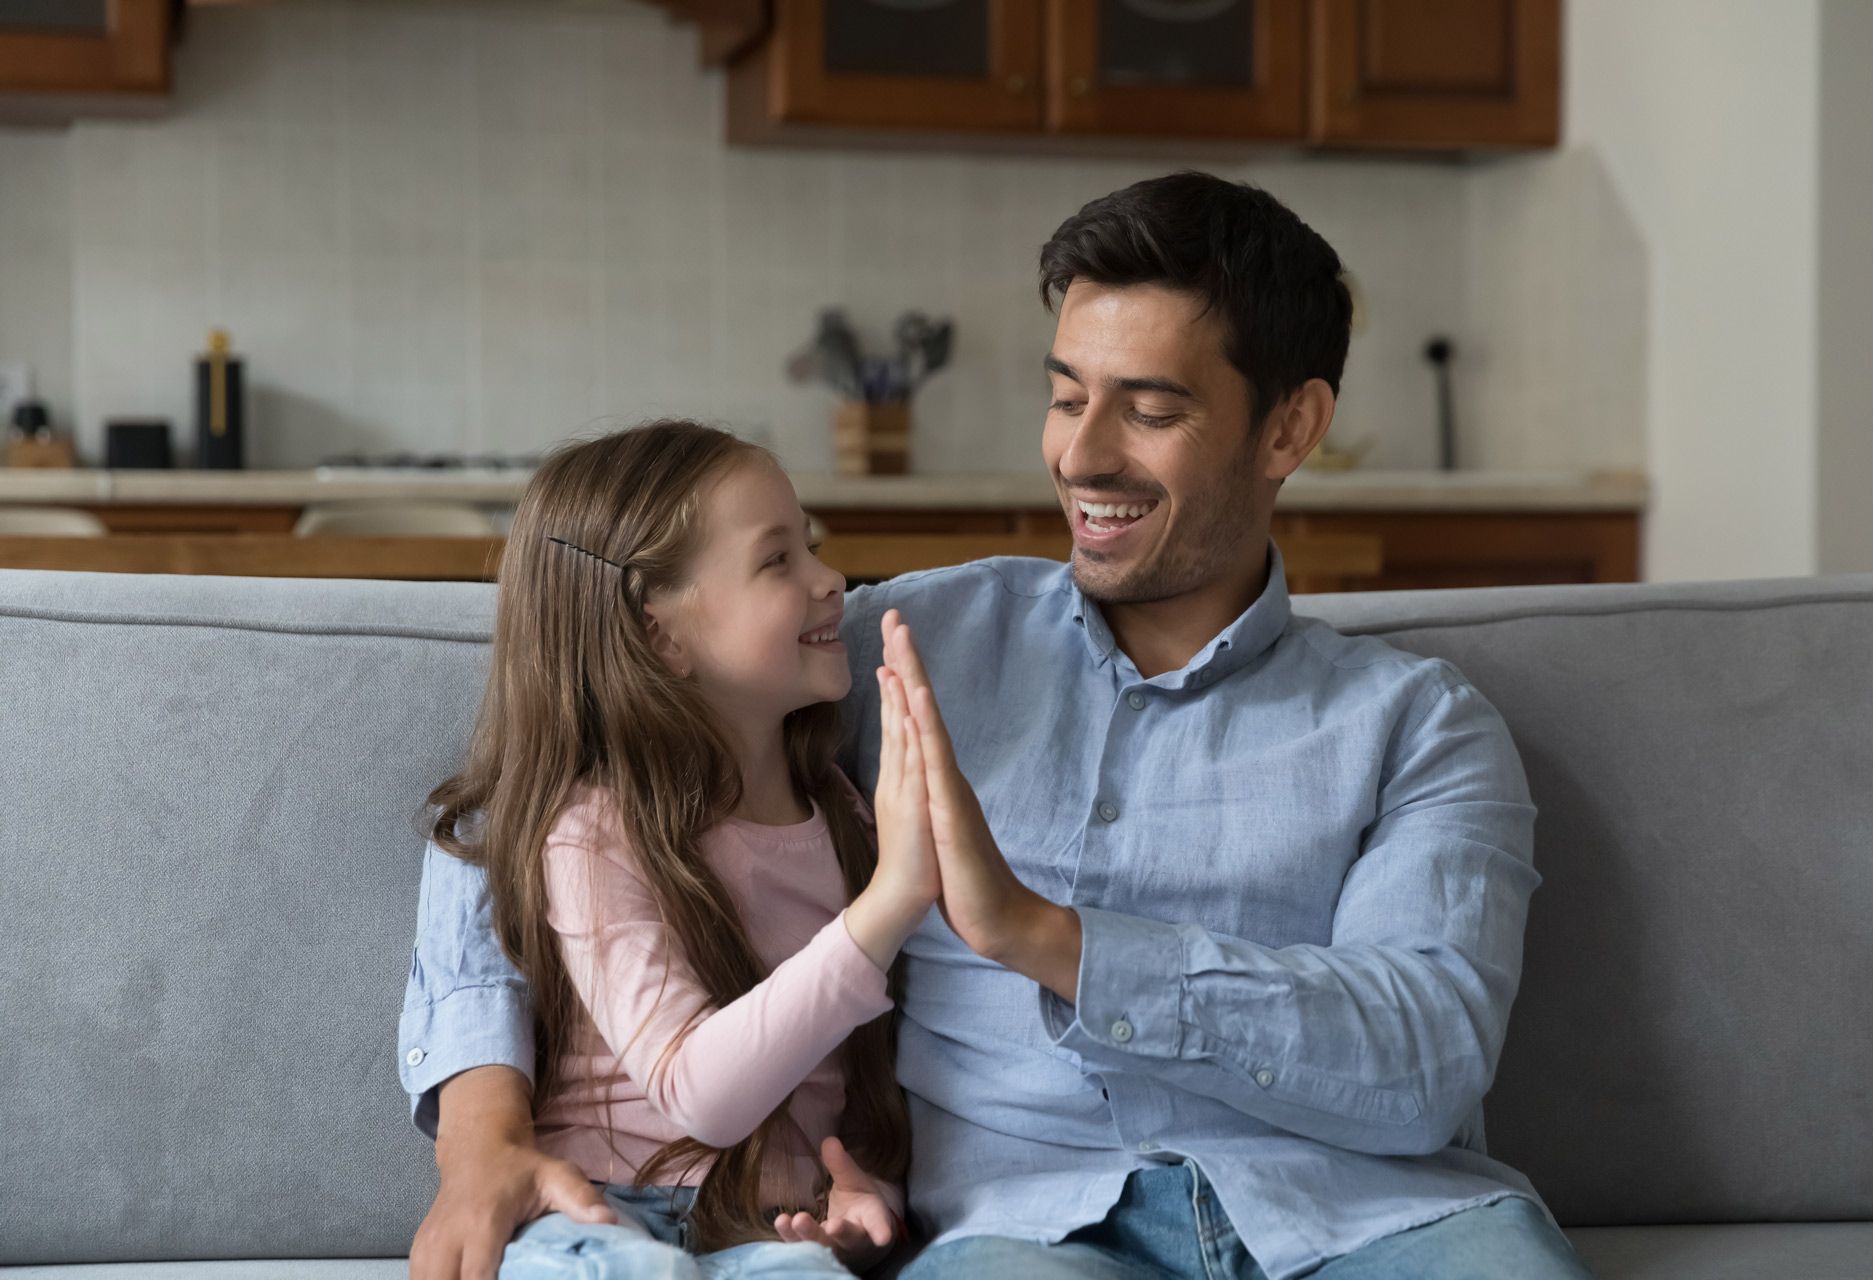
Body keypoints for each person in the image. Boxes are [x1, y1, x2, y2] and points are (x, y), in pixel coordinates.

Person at [402, 171, 1596, 1280]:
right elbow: (547, 778)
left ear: (1289, 428)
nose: (1082, 453)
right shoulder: (895, 649)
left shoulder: (1421, 728)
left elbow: (1427, 1059)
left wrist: (1045, 936)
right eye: (1067, 396)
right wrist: (483, 1129)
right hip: (1030, 1227)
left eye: (1150, 408)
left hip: (1374, 1217)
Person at [407, 420, 952, 1277]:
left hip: (773, 1223)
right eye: (779, 561)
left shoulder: (847, 813)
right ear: (659, 632)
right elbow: (699, 1092)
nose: (831, 580)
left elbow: (854, 1081)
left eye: (810, 546)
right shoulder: (593, 828)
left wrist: (866, 1195)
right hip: (603, 1200)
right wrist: (887, 906)